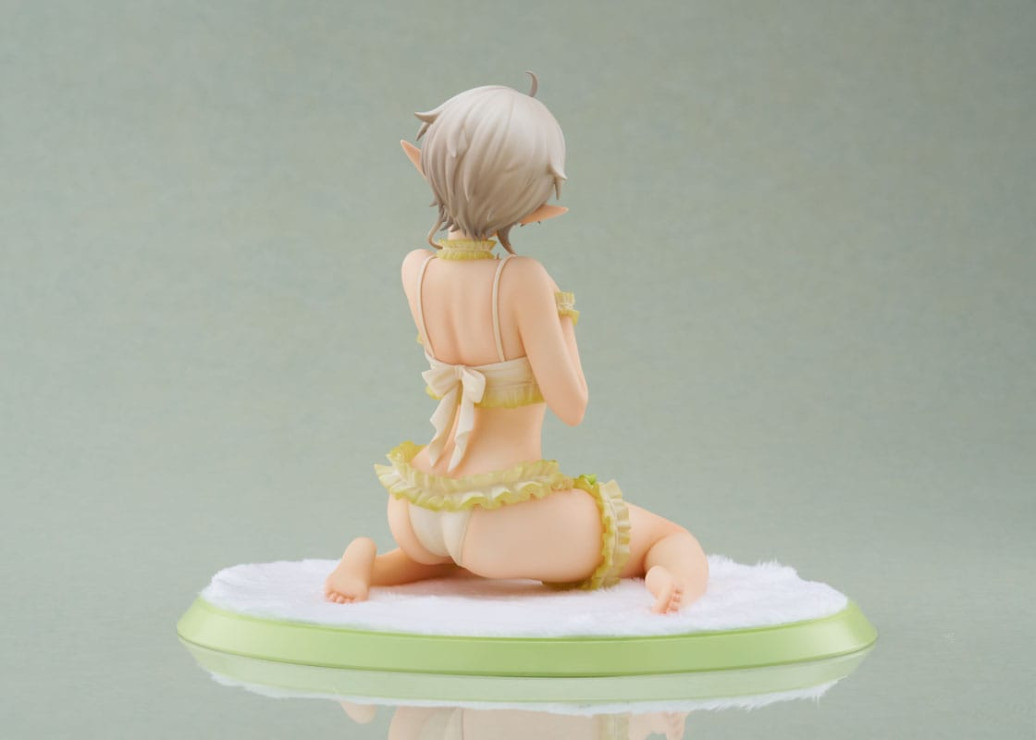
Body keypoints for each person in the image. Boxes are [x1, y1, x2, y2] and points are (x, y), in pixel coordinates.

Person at [325, 75, 708, 614]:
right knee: (668, 539)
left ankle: (367, 558)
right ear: (530, 202)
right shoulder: (523, 278)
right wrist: (562, 317)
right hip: (498, 515)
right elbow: (572, 406)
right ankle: (663, 577)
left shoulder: (415, 268)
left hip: (417, 503)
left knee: (444, 563)